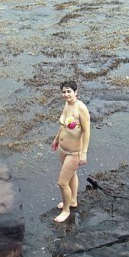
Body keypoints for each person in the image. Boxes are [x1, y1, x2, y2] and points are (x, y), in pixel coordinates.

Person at [51, 80, 91, 223]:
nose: (66, 94)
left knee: (62, 183)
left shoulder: (81, 108)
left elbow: (86, 132)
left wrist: (84, 153)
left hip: (75, 152)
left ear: (75, 92)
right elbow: (63, 126)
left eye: (69, 91)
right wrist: (56, 139)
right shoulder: (66, 104)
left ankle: (66, 210)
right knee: (72, 175)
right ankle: (73, 200)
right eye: (64, 91)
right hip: (63, 149)